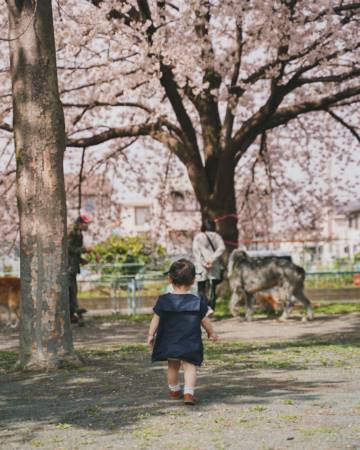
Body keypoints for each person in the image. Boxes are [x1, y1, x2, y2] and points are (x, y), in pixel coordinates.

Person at [148, 259, 219, 405]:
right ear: (193, 281)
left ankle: (174, 390)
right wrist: (211, 333)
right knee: (190, 366)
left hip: (170, 340)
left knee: (172, 365)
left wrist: (150, 334)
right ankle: (188, 394)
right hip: (190, 341)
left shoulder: (163, 300)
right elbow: (205, 320)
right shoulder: (196, 301)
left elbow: (155, 319)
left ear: (170, 279)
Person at [192, 219, 226, 310]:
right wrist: (212, 259)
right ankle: (212, 307)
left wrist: (203, 262)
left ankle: (203, 308)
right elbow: (222, 248)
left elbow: (196, 252)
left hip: (201, 265)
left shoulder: (198, 236)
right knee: (213, 288)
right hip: (214, 264)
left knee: (201, 288)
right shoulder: (217, 236)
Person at [68, 214, 91, 325]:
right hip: (68, 268)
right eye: (86, 224)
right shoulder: (72, 233)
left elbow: (74, 253)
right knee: (71, 292)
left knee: (73, 292)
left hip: (73, 268)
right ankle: (73, 314)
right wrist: (84, 249)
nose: (87, 226)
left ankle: (73, 315)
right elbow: (68, 248)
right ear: (80, 223)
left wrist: (82, 261)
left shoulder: (79, 234)